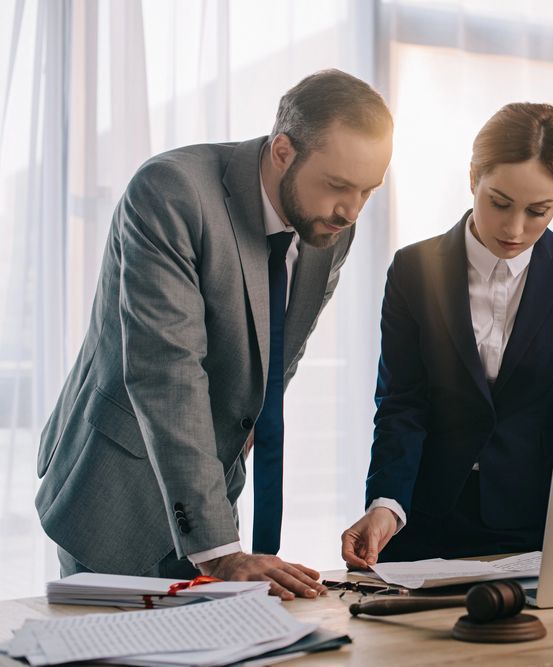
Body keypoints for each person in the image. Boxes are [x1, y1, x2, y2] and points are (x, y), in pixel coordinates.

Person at [36, 69, 393, 600]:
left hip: (212, 491)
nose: (352, 210)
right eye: (338, 186)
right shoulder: (170, 193)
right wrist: (221, 552)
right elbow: (166, 372)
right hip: (119, 486)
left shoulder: (331, 225)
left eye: (368, 190)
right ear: (282, 152)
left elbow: (281, 353)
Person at [341, 102, 553, 566]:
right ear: (473, 178)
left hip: (532, 524)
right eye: (499, 203)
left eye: (539, 211)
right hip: (424, 519)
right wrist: (385, 505)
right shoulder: (414, 270)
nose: (515, 229)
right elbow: (402, 403)